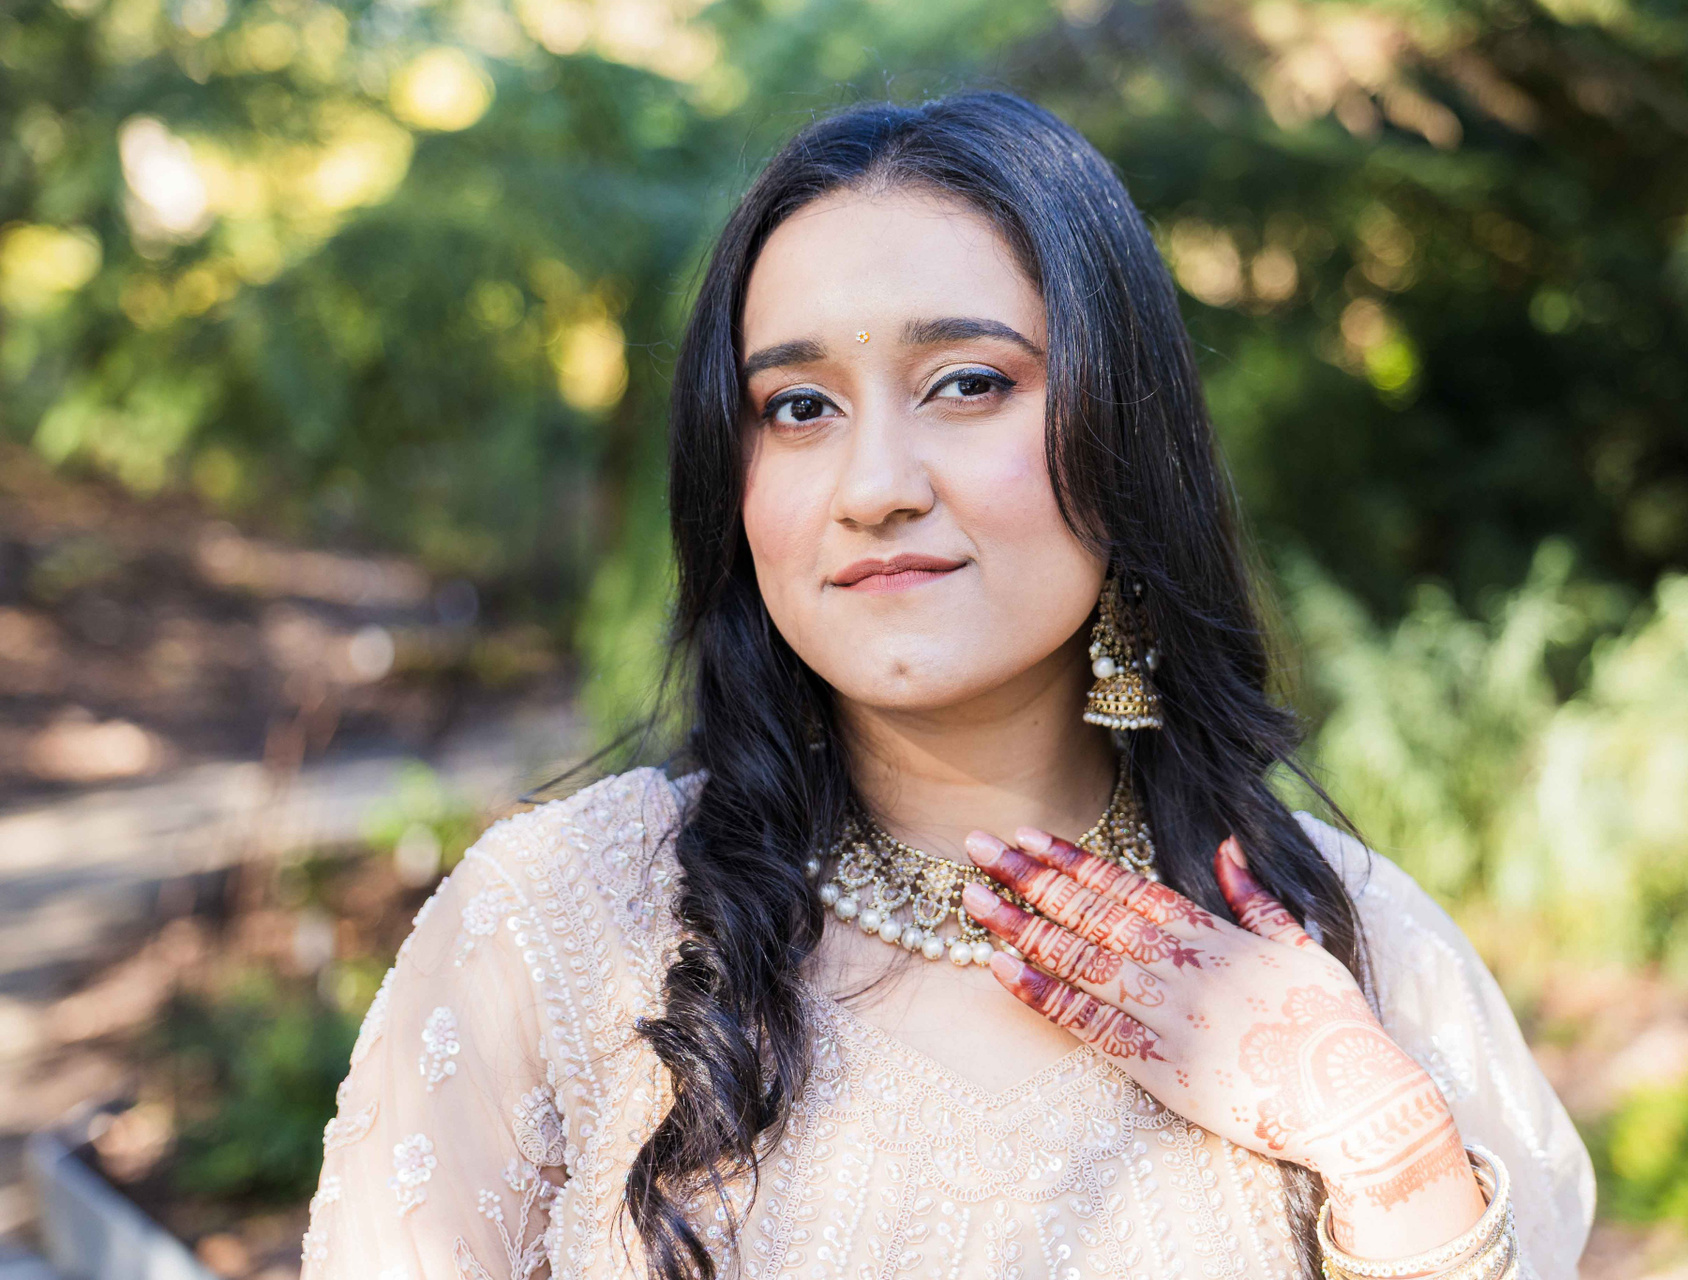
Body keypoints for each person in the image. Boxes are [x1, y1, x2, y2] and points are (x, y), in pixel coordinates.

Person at [301, 92, 1595, 1280]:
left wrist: (1395, 1166)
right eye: (798, 407)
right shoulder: (561, 931)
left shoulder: (1359, 952)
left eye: (967, 384)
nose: (875, 487)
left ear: (1124, 433)